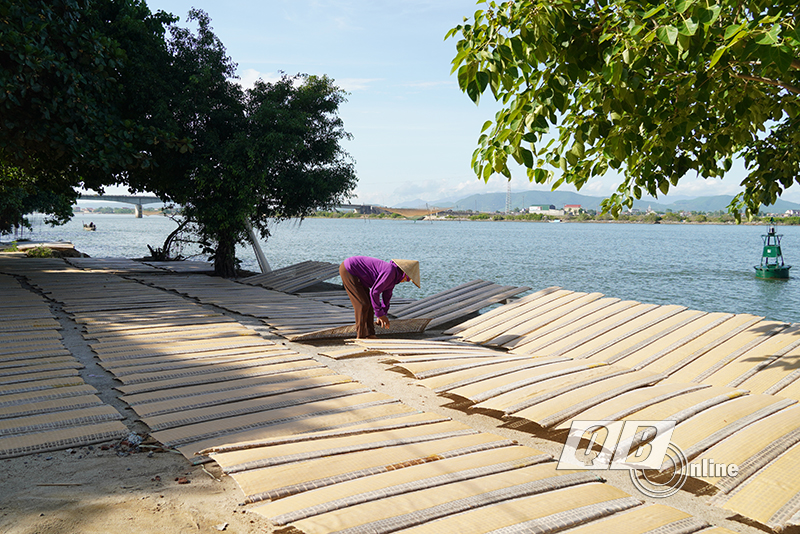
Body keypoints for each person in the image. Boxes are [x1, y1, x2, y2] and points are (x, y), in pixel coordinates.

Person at [339, 256, 420, 339]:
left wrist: (383, 314)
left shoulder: (394, 278)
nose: (405, 281)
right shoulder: (390, 272)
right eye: (407, 279)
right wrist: (380, 315)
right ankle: (360, 336)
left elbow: (386, 297)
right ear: (403, 273)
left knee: (369, 304)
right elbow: (374, 292)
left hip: (360, 274)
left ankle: (370, 334)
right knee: (363, 304)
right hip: (349, 269)